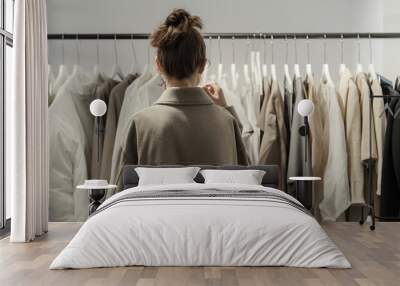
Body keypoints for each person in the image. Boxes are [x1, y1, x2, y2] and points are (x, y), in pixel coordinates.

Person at [111, 9, 248, 190]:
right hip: (216, 219)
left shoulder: (140, 124)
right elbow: (247, 189)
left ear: (158, 64)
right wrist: (225, 110)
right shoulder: (227, 122)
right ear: (202, 65)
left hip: (154, 219)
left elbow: (121, 200)